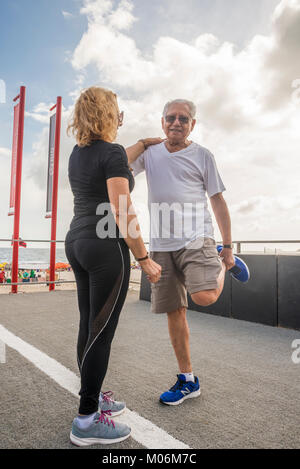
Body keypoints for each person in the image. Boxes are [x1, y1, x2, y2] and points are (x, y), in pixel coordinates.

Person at [127, 99, 250, 406]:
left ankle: (223, 260)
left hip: (198, 239)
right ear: (162, 121)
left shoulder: (203, 155)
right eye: (171, 118)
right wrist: (141, 143)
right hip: (161, 246)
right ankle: (187, 380)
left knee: (204, 297)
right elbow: (118, 165)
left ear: (193, 124)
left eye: (184, 118)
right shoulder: (150, 153)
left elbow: (218, 202)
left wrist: (229, 247)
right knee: (175, 312)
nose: (176, 123)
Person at [65, 86, 162, 446]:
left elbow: (117, 156)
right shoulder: (111, 155)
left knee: (89, 324)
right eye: (118, 111)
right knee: (101, 331)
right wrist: (144, 258)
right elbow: (122, 210)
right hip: (106, 248)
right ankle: (87, 419)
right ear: (110, 115)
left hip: (76, 241)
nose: (121, 117)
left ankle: (92, 396)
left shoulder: (79, 153)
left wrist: (141, 144)